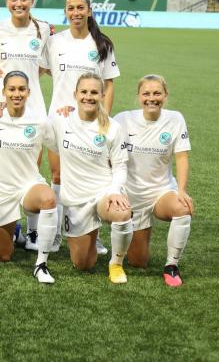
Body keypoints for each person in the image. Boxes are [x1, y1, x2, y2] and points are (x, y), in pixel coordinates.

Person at [43, 0, 120, 255]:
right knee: (58, 176)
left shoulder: (102, 44)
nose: (75, 12)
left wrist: (104, 120)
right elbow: (36, 69)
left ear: (89, 10)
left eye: (80, 7)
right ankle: (53, 233)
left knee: (94, 179)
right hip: (59, 120)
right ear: (66, 11)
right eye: (70, 7)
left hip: (91, 124)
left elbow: (108, 84)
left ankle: (93, 234)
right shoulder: (54, 42)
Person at [0, 0, 51, 251]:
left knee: (33, 163)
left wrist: (27, 76)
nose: (18, 3)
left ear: (31, 1)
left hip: (32, 103)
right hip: (1, 101)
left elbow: (44, 66)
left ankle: (33, 231)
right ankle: (11, 221)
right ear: (7, 1)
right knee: (3, 159)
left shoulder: (43, 29)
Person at [48, 73, 132, 284]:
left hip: (103, 193)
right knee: (83, 264)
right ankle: (92, 236)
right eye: (83, 92)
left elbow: (121, 166)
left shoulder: (112, 127)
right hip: (75, 200)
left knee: (122, 213)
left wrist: (114, 190)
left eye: (94, 92)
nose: (88, 96)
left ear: (102, 95)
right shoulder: (60, 119)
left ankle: (116, 264)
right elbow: (33, 126)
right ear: (75, 95)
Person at [114, 75, 193, 287]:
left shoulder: (175, 119)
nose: (152, 98)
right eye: (146, 93)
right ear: (139, 97)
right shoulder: (123, 119)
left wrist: (182, 190)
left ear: (165, 96)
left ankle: (172, 266)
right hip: (132, 196)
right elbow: (101, 130)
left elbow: (182, 157)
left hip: (161, 192)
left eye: (157, 93)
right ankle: (141, 228)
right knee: (138, 262)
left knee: (182, 208)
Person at [0, 71, 58, 283]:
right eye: (12, 89)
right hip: (1, 190)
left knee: (49, 199)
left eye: (21, 89)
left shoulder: (40, 121)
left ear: (28, 92)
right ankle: (16, 229)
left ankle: (41, 264)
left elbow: (59, 145)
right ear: (3, 92)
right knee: (2, 255)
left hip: (29, 185)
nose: (17, 93)